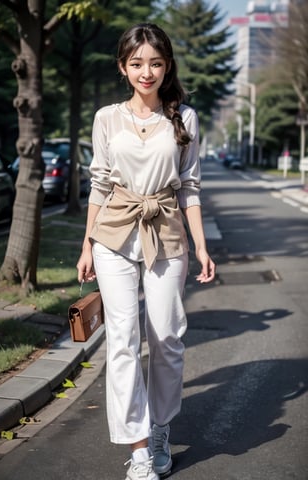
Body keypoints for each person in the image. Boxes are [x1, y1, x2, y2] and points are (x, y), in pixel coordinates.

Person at [76, 22, 215, 480]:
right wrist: (85, 246)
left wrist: (201, 244)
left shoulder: (184, 118)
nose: (146, 71)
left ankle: (160, 427)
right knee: (122, 341)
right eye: (137, 63)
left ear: (166, 65)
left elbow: (190, 186)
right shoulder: (105, 118)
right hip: (114, 233)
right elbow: (98, 185)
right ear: (123, 67)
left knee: (167, 337)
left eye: (155, 62)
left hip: (167, 230)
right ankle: (138, 449)